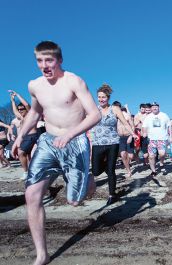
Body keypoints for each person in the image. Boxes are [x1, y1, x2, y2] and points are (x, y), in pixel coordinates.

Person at [11, 41, 101, 265]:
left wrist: (70, 135)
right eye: (40, 61)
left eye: (49, 60)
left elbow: (94, 115)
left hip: (75, 141)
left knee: (74, 201)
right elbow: (34, 112)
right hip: (48, 142)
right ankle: (42, 254)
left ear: (59, 60)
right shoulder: (35, 85)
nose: (44, 65)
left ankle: (89, 180)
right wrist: (20, 136)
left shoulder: (74, 81)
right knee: (31, 195)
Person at [91, 84, 137, 205]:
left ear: (108, 98)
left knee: (111, 171)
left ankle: (112, 195)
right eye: (99, 97)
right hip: (97, 143)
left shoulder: (115, 109)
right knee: (95, 171)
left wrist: (133, 133)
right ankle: (108, 166)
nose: (101, 99)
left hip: (112, 142)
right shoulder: (94, 109)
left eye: (103, 97)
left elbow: (125, 123)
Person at [9, 90, 40, 179]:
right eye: (19, 109)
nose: (20, 111)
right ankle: (30, 172)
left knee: (21, 152)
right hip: (25, 137)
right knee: (28, 156)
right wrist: (12, 100)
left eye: (22, 109)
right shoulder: (21, 118)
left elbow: (26, 104)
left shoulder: (30, 114)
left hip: (32, 136)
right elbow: (15, 111)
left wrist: (18, 94)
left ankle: (26, 172)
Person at [142, 102, 172, 176]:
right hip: (151, 139)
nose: (155, 108)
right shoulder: (148, 117)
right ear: (151, 108)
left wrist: (170, 136)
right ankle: (153, 170)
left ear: (159, 107)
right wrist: (144, 132)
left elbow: (169, 126)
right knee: (151, 156)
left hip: (162, 138)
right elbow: (144, 126)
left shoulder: (164, 115)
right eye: (153, 107)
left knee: (162, 153)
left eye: (156, 107)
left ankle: (161, 164)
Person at [117, 106, 135, 177]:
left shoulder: (127, 116)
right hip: (121, 138)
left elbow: (133, 126)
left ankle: (128, 163)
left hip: (128, 136)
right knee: (123, 155)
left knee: (130, 156)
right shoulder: (117, 117)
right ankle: (129, 171)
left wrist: (131, 136)